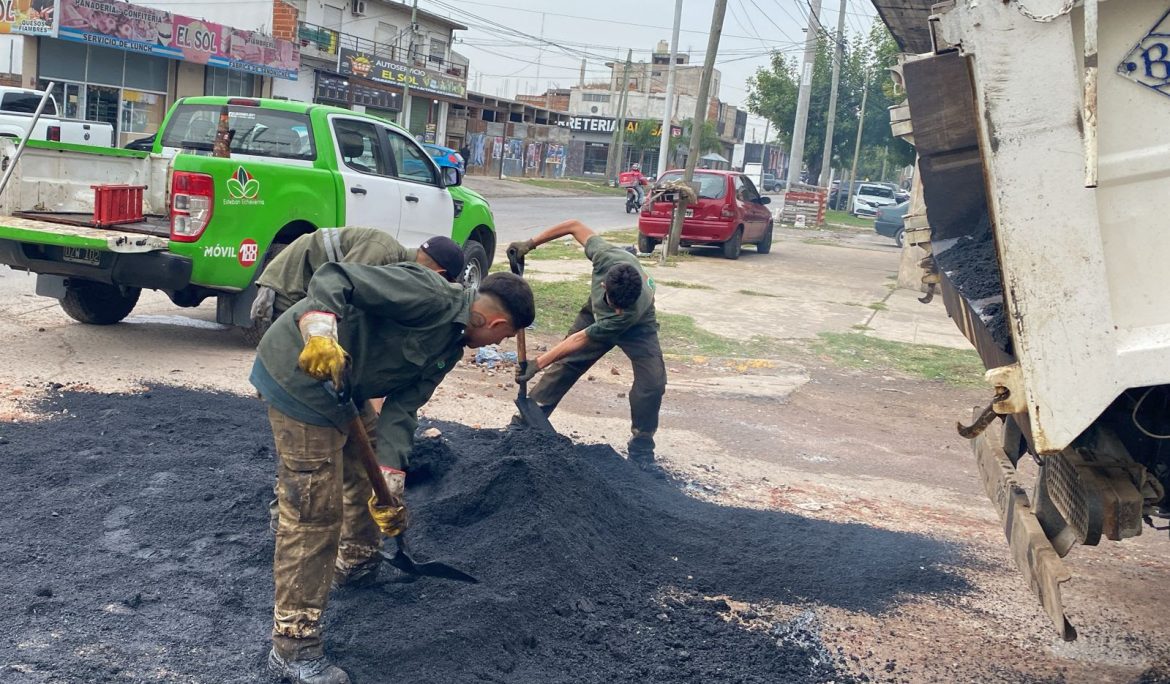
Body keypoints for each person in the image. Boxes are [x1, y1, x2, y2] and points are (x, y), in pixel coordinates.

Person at [252, 265, 535, 684]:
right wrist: (320, 332)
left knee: (370, 481)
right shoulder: (429, 294)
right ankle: (292, 647)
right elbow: (334, 278)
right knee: (314, 514)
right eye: (505, 337)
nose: (499, 344)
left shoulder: (450, 348)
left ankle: (357, 563)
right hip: (300, 380)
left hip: (348, 391)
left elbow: (403, 410)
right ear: (498, 323)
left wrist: (391, 479)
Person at [250, 228, 467, 533]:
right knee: (302, 410)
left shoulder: (401, 268)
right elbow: (337, 294)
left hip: (312, 297)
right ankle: (288, 510)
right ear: (441, 273)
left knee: (338, 409)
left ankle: (317, 497)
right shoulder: (380, 253)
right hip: (289, 293)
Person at [507, 219, 665, 467]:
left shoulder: (628, 313)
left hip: (639, 326)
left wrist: (537, 362)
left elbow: (581, 338)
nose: (619, 311)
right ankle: (525, 423)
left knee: (652, 383)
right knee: (568, 364)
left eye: (623, 309)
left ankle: (642, 448)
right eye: (615, 306)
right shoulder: (604, 256)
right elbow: (574, 226)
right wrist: (529, 244)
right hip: (596, 313)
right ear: (604, 285)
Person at [250, 227, 466, 327]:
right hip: (290, 282)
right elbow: (337, 286)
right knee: (300, 359)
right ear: (437, 274)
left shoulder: (394, 263)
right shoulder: (383, 252)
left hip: (306, 286)